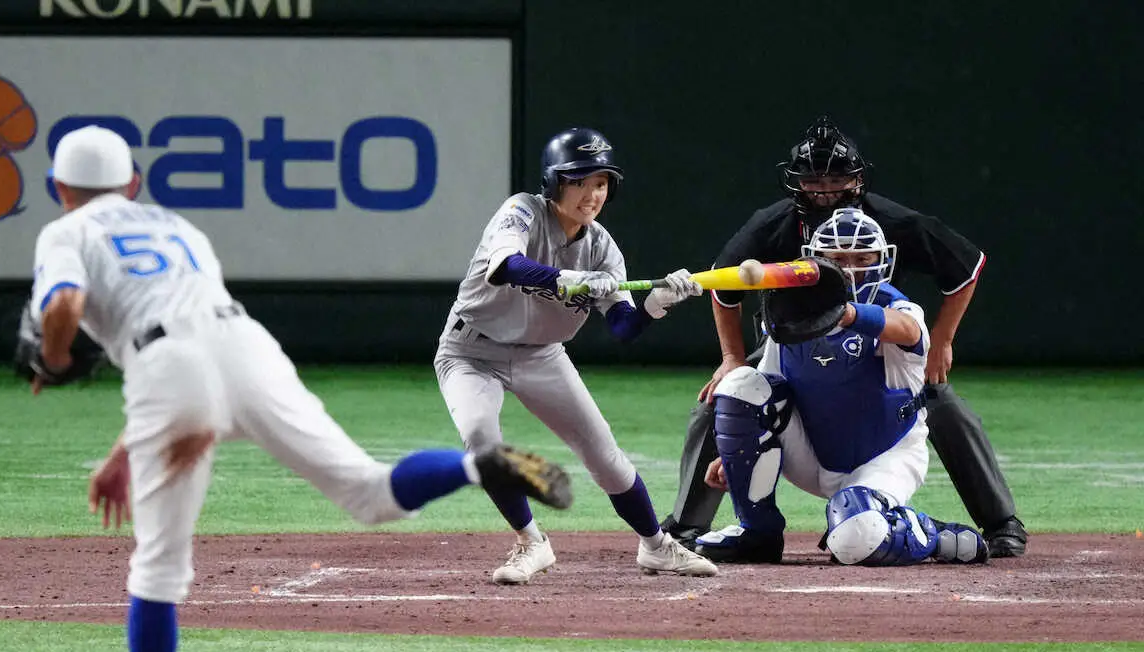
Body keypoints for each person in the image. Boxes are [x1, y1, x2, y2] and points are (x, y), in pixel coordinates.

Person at [26, 126, 574, 652]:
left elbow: (67, 305)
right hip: (247, 347)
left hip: (169, 372)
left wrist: (53, 359)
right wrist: (128, 450)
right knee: (369, 493)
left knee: (158, 566)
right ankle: (478, 466)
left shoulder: (65, 231)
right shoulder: (179, 229)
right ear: (133, 183)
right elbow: (194, 327)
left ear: (58, 187)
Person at [662, 116, 1027, 558]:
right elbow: (725, 287)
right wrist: (732, 358)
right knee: (730, 396)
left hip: (876, 342)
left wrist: (940, 339)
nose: (826, 189)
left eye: (837, 179)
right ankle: (697, 525)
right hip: (798, 326)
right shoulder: (773, 227)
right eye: (814, 181)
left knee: (941, 403)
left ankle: (999, 522)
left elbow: (961, 272)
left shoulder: (894, 240)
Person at [433, 127, 718, 584]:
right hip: (471, 350)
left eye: (601, 183)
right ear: (555, 183)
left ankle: (657, 546)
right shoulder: (522, 210)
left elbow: (623, 326)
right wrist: (560, 277)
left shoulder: (603, 249)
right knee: (481, 438)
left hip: (542, 355)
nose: (591, 194)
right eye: (580, 181)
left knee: (603, 454)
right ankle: (531, 543)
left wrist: (657, 303)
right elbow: (504, 265)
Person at [693, 207, 989, 567]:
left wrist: (845, 313)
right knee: (739, 382)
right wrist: (734, 455)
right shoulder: (791, 313)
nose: (849, 270)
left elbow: (909, 331)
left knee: (855, 539)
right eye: (836, 259)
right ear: (814, 262)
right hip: (812, 451)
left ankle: (933, 535)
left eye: (862, 258)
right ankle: (758, 533)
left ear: (882, 261)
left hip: (885, 453)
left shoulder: (896, 306)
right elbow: (765, 391)